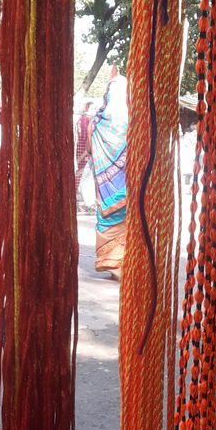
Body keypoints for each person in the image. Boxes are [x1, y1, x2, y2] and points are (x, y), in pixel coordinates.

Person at [90, 71, 128, 279]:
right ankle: (120, 264)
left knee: (106, 217)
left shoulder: (97, 121)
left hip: (105, 185)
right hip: (126, 183)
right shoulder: (134, 121)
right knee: (126, 219)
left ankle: (111, 264)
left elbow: (88, 149)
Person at [75, 99, 93, 197]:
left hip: (87, 153)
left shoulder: (90, 120)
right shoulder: (83, 120)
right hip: (82, 150)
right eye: (91, 108)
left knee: (84, 170)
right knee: (80, 171)